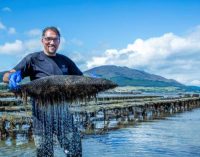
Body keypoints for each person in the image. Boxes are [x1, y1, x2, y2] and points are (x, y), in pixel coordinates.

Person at [3, 26, 83, 157]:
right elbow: (7, 76)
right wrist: (11, 77)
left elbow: (80, 78)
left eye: (55, 39)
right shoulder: (32, 59)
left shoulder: (65, 61)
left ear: (59, 41)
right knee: (44, 153)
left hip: (63, 114)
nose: (52, 42)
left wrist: (92, 78)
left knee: (75, 149)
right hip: (41, 116)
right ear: (42, 40)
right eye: (48, 39)